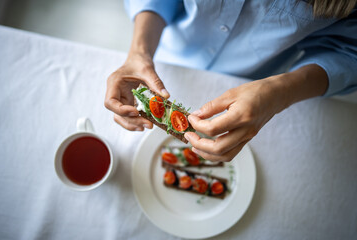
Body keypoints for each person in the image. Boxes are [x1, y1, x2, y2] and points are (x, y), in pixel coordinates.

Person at [105, 0, 357, 162]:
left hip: (255, 82)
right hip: (166, 55)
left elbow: (348, 49)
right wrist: (139, 50)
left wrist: (281, 92)